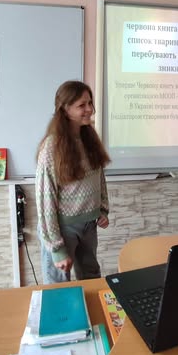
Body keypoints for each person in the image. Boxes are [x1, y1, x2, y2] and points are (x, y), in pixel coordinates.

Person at [36, 80, 111, 284]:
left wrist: (102, 209)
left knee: (91, 278)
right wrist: (57, 247)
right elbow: (45, 198)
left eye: (90, 103)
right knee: (58, 286)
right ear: (65, 109)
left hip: (89, 225)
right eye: (81, 105)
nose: (89, 109)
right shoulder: (51, 147)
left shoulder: (89, 138)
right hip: (62, 229)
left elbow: (98, 177)